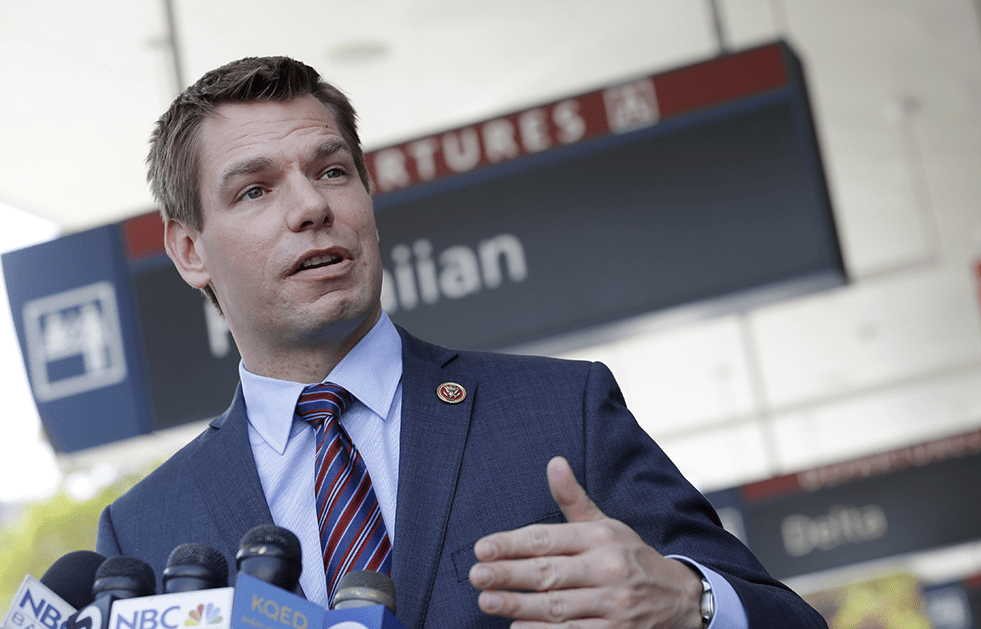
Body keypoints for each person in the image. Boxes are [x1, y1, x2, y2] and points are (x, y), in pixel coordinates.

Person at [95, 56, 825, 629]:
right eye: (255, 190)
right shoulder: (142, 529)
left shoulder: (563, 411)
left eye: (332, 171)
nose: (312, 206)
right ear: (189, 249)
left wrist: (688, 601)